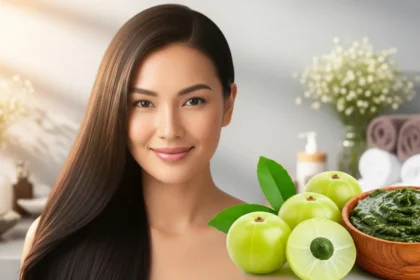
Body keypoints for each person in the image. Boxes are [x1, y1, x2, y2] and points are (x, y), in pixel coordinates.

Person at [19, 4, 285, 280]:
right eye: (143, 103)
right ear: (115, 109)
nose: (170, 130)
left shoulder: (276, 241)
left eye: (193, 101)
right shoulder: (55, 240)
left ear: (228, 104)